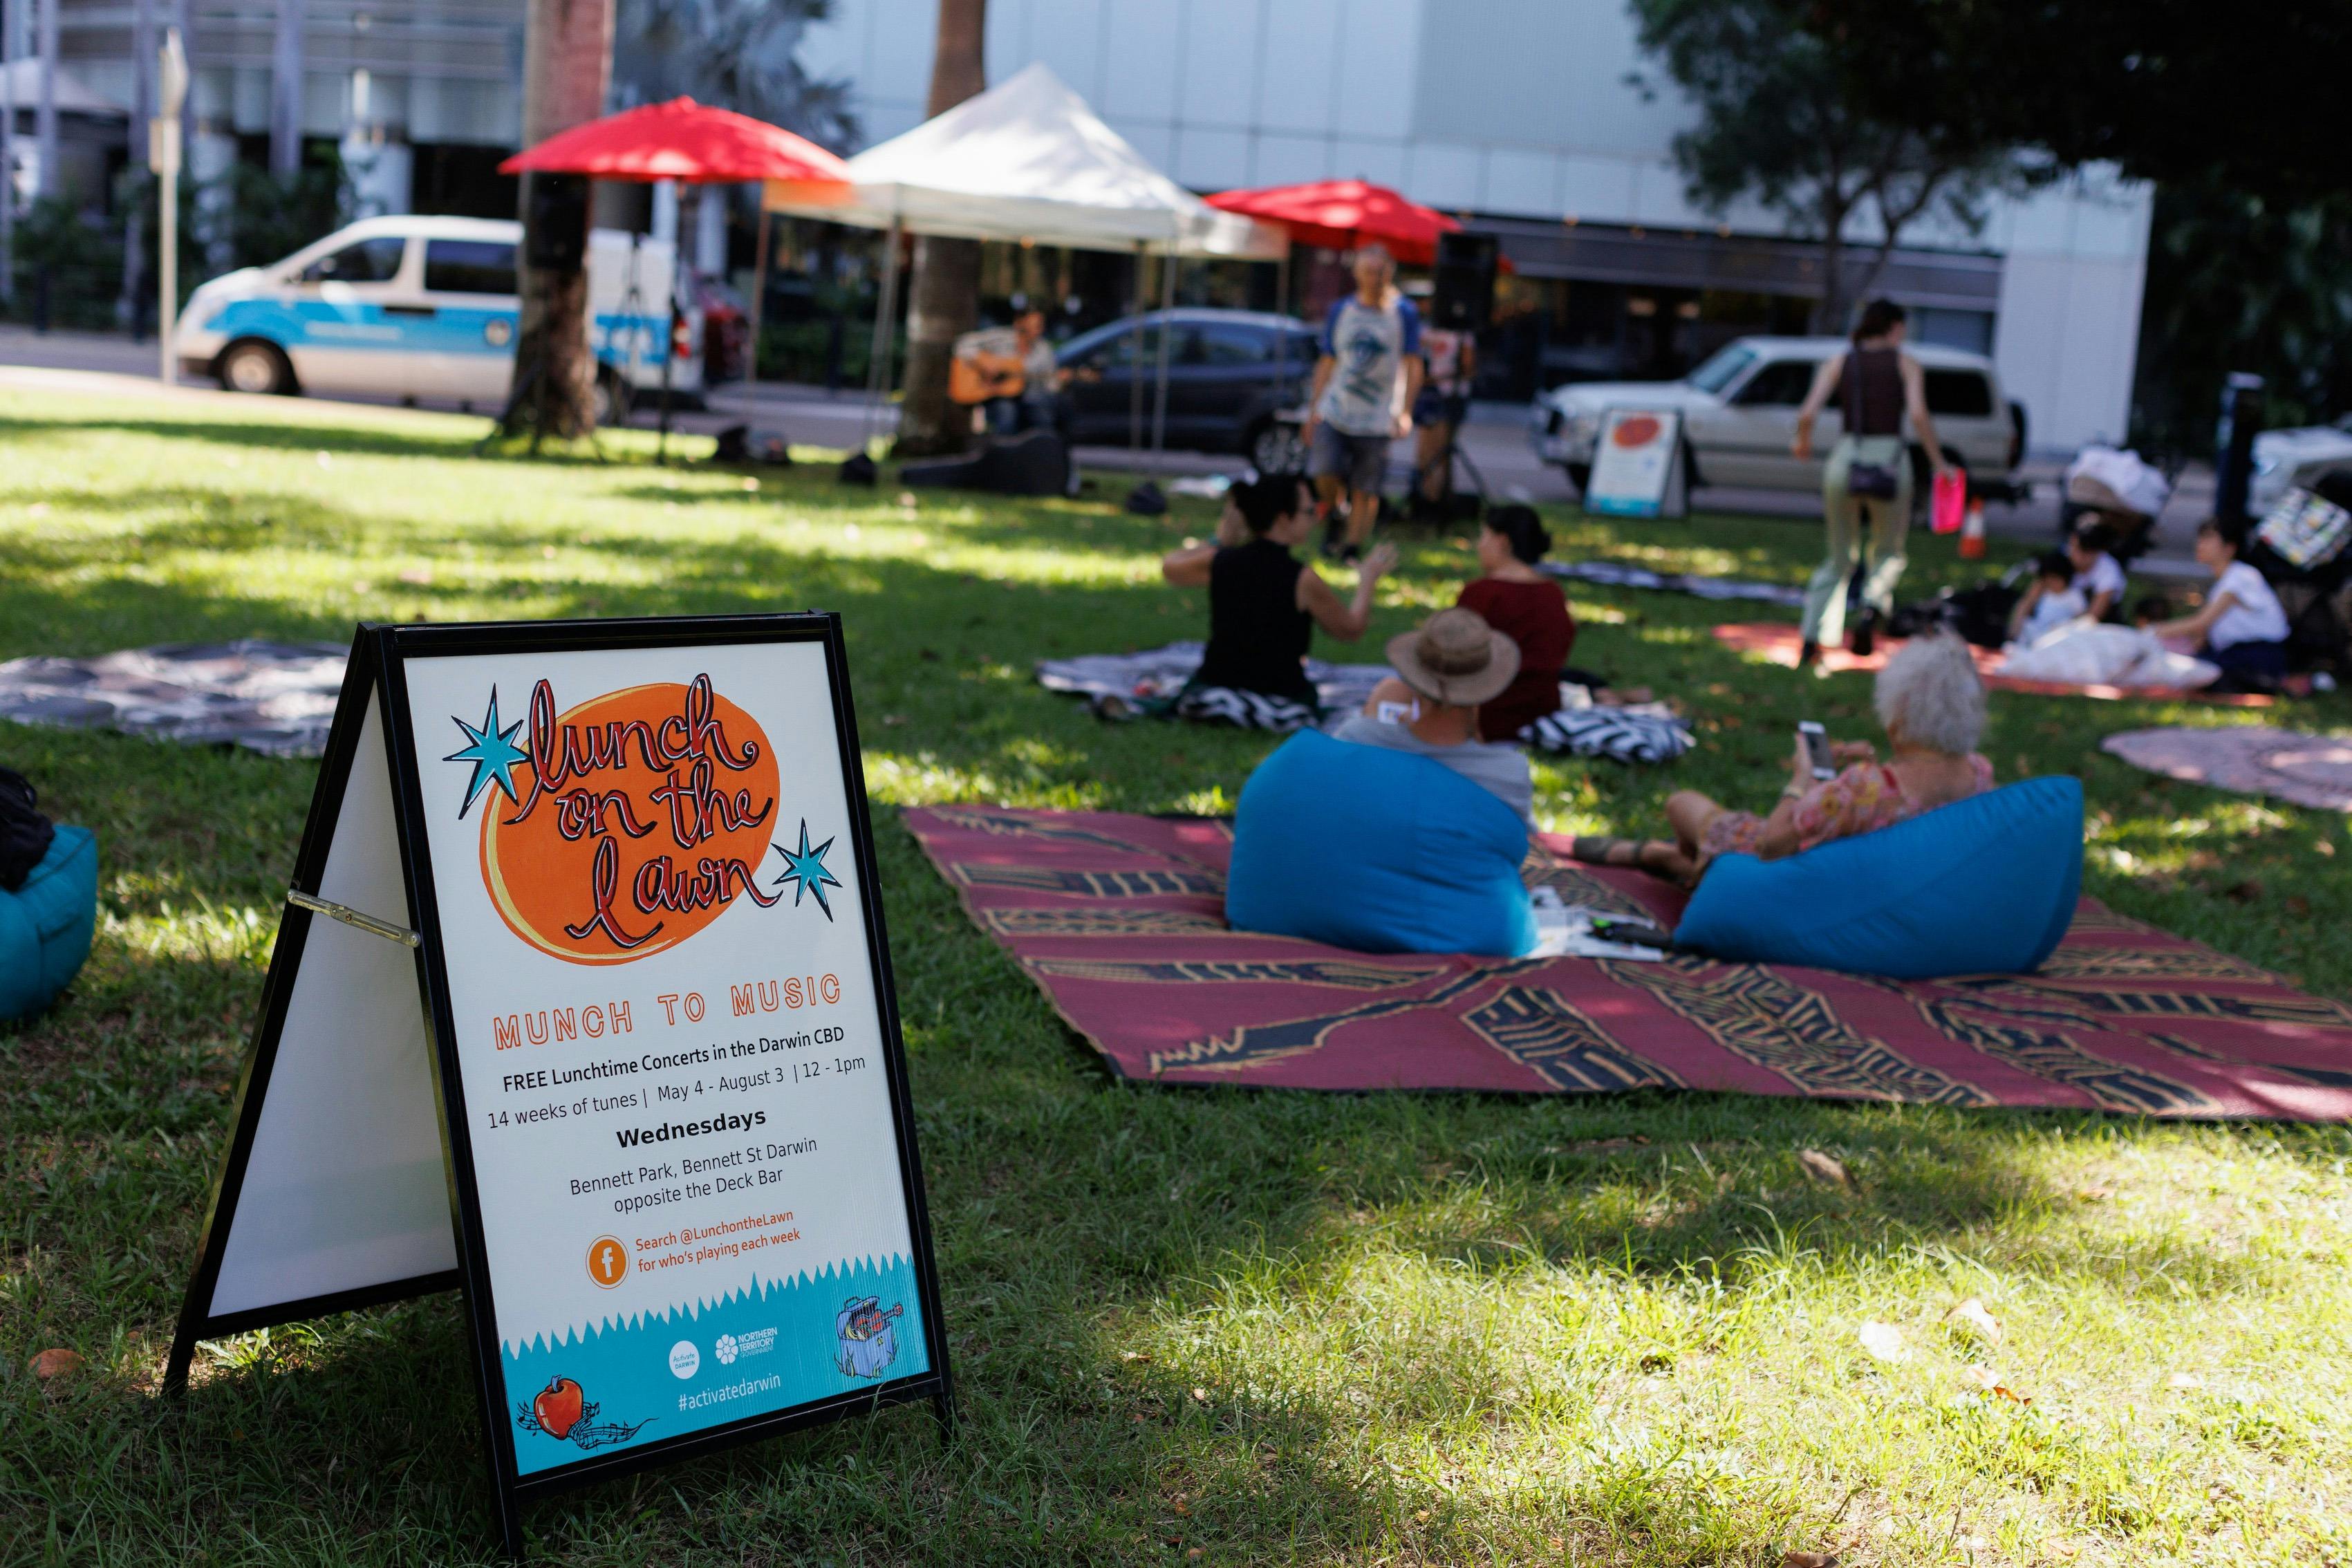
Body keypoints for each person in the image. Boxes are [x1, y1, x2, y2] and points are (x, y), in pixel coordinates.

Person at [1572, 631, 1994, 884]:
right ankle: (1675, 861)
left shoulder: (1863, 790)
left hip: (1788, 867)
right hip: (1878, 878)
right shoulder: (1977, 773)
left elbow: (1772, 845)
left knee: (1682, 804)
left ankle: (1663, 859)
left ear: (1897, 718)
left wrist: (1802, 778)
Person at [1157, 474, 1397, 727]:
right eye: (1309, 511)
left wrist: (1220, 541)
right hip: (1281, 692)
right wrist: (1368, 579)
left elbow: (1170, 567)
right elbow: (1350, 630)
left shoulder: (1220, 561)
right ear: (1283, 518)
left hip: (1218, 680)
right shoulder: (1302, 578)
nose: (1315, 518)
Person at [1790, 299, 1954, 666]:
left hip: (1846, 457)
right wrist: (1939, 462)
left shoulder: (1840, 361)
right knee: (1888, 550)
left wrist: (1802, 442)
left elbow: (1807, 412)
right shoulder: (1905, 363)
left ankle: (1812, 638)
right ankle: (1871, 607)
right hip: (1891, 460)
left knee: (1838, 556)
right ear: (1894, 327)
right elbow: (1917, 414)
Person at [1335, 608, 1533, 824]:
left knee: (1389, 691)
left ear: (1415, 674)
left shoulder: (1356, 738)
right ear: (1487, 684)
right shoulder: (1508, 775)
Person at [1305, 245, 1422, 562]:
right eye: (1369, 271)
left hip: (1378, 414)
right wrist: (1313, 408)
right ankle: (1336, 514)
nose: (1375, 278)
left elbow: (1413, 363)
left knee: (1365, 487)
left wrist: (1406, 410)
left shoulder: (1404, 313)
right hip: (1336, 408)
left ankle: (1352, 547)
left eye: (1381, 271)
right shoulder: (1341, 310)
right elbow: (1327, 361)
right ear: (1357, 273)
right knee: (1324, 471)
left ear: (1391, 272)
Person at [1454, 504, 1574, 740]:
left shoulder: (1482, 593)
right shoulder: (1553, 592)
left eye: (1484, 536)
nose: (1479, 546)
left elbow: (1453, 658)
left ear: (1503, 541)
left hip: (1487, 714)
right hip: (1543, 709)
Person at [2152, 517, 2291, 680]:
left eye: (2208, 538)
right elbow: (2201, 635)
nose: (2200, 544)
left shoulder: (2241, 575)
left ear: (2229, 548)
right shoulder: (2223, 584)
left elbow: (2200, 623)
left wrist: (2153, 632)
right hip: (2236, 653)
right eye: (2200, 538)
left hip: (2257, 655)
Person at [1412, 306, 1477, 513]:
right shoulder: (1426, 329)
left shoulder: (1463, 334)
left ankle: (1436, 503)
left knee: (1439, 453)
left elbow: (1468, 370)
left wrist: (1433, 379)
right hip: (1427, 396)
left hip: (1449, 397)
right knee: (1425, 453)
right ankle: (1426, 500)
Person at [2007, 552, 2090, 646]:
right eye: (2048, 579)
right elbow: (2027, 606)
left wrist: (2066, 626)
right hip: (2038, 632)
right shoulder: (2045, 593)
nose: (2052, 583)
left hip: (2059, 636)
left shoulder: (2074, 596)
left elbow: (2082, 618)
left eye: (2055, 579)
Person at [2065, 520, 2128, 622]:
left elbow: (2093, 617)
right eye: (2074, 547)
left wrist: (2065, 626)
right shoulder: (2064, 556)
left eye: (2085, 552)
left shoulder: (2110, 570)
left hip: (2100, 624)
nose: (2076, 555)